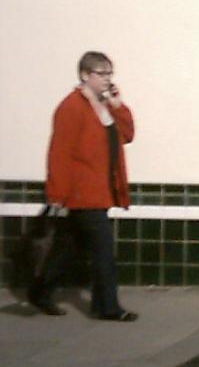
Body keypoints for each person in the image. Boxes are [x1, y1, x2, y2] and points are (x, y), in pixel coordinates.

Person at [28, 51, 137, 321]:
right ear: (85, 75)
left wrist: (118, 105)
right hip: (83, 192)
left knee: (68, 248)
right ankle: (107, 306)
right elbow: (60, 152)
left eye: (110, 73)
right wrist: (56, 194)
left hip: (102, 188)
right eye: (101, 74)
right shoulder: (72, 107)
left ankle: (41, 290)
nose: (107, 79)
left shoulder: (104, 106)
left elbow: (127, 135)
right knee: (103, 251)